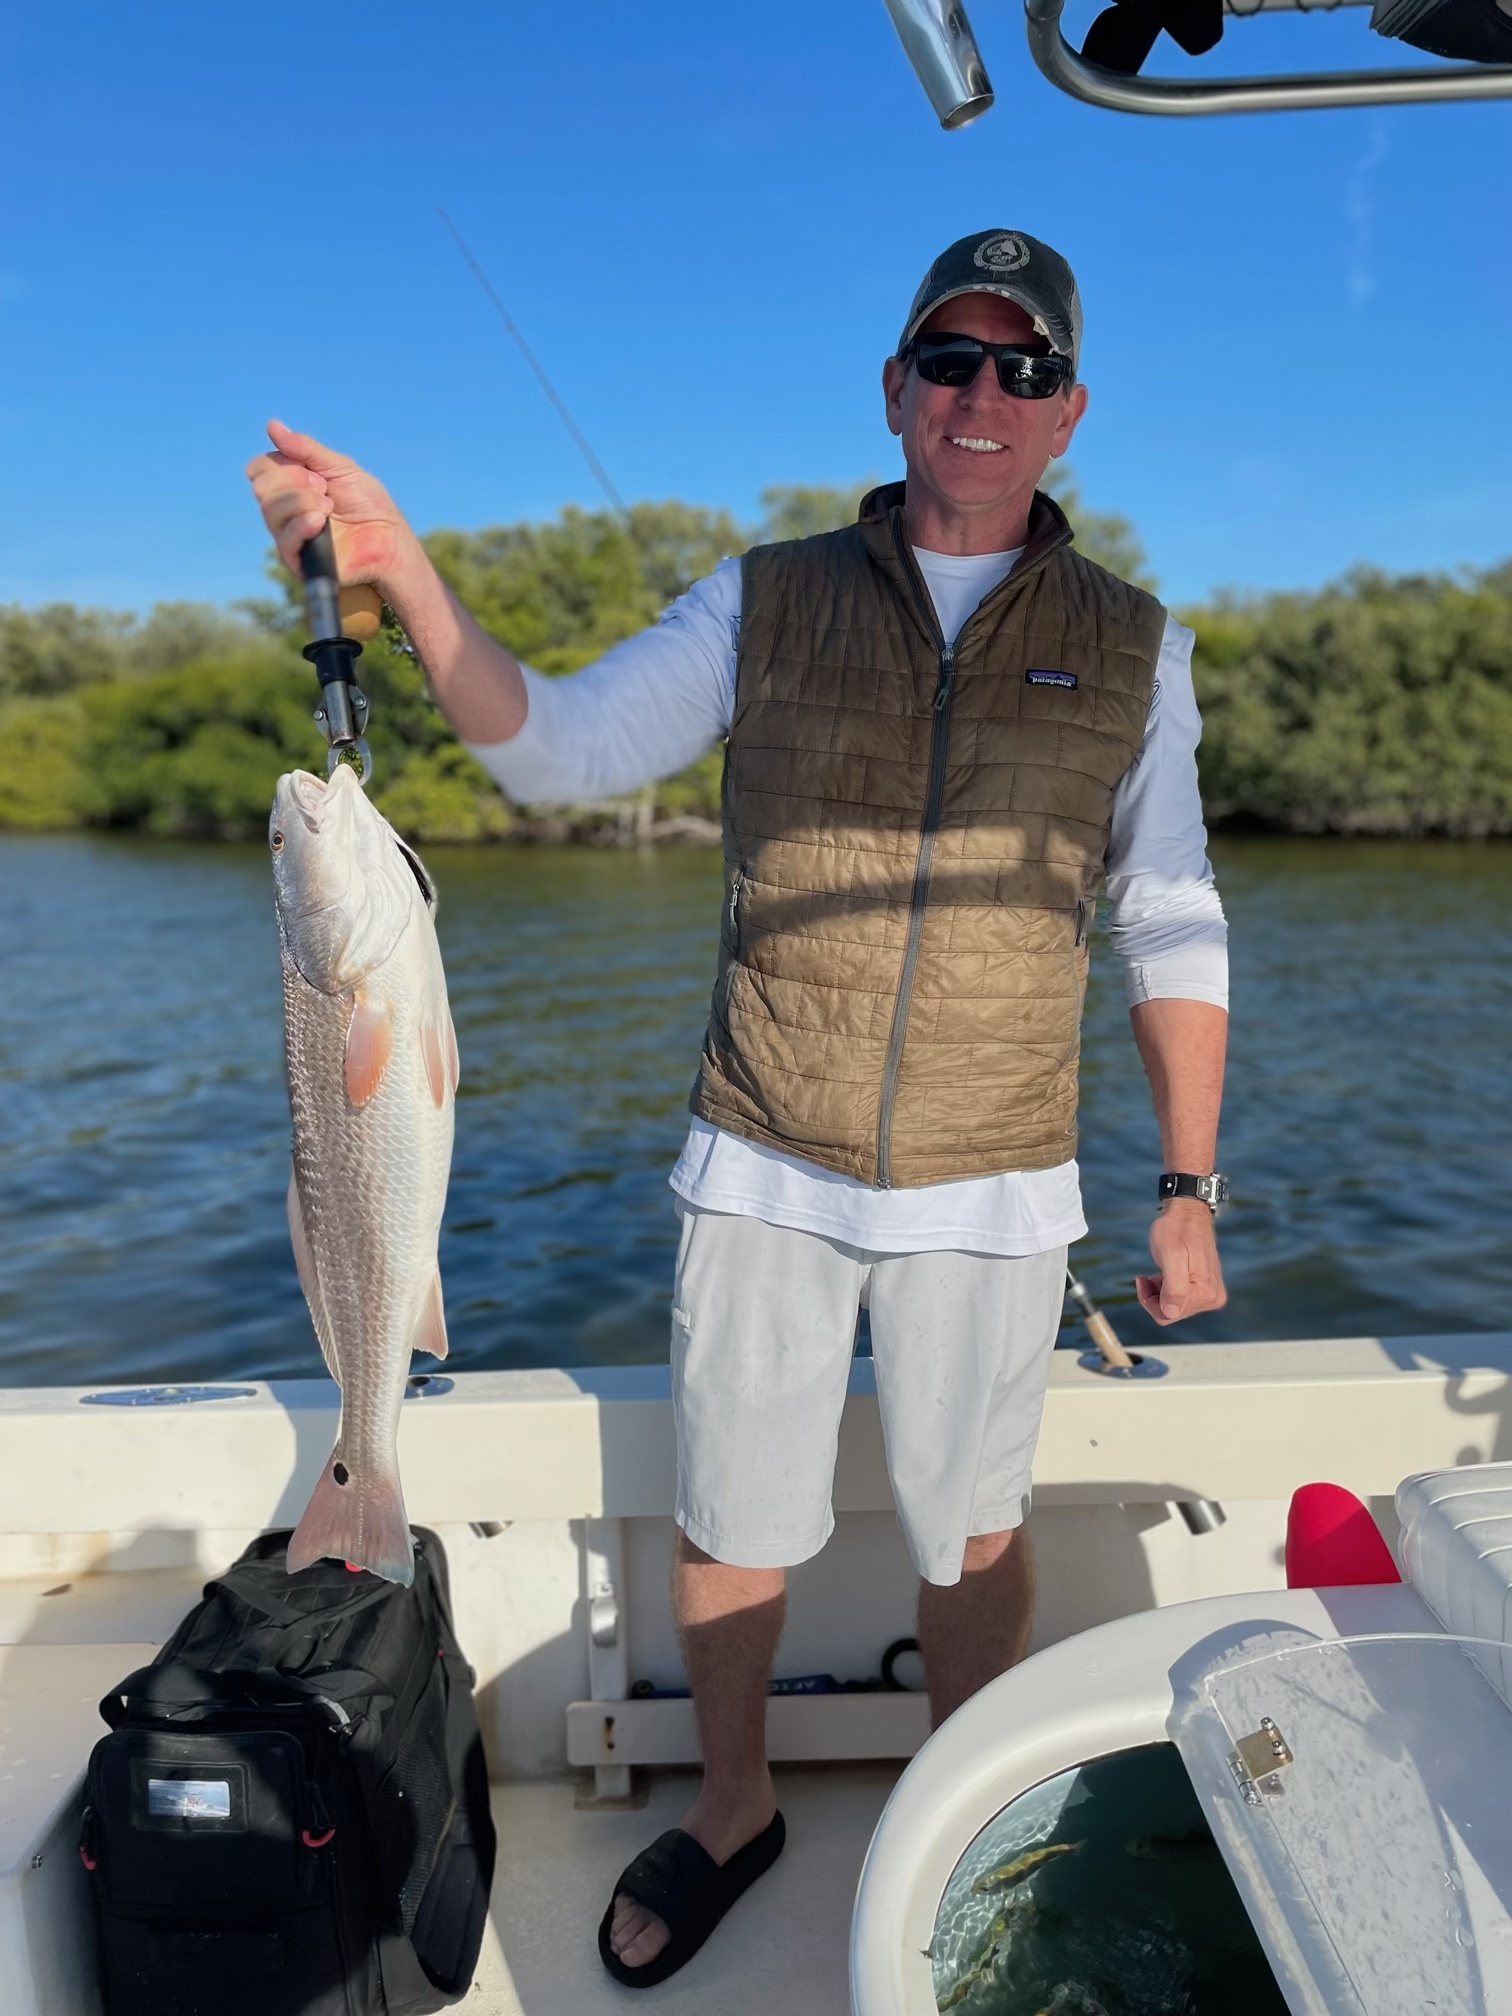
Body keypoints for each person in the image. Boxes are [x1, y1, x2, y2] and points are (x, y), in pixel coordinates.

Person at [247, 226, 1229, 1990]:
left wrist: (1187, 1181)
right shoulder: (764, 595)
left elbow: (1172, 913)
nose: (980, 396)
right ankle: (734, 1805)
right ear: (896, 392)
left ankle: (963, 1789)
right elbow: (555, 745)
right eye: (950, 359)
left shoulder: (1141, 649)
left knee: (977, 1528)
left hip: (995, 1176)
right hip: (765, 1142)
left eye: (1021, 368)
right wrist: (405, 579)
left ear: (1069, 410)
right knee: (731, 1517)